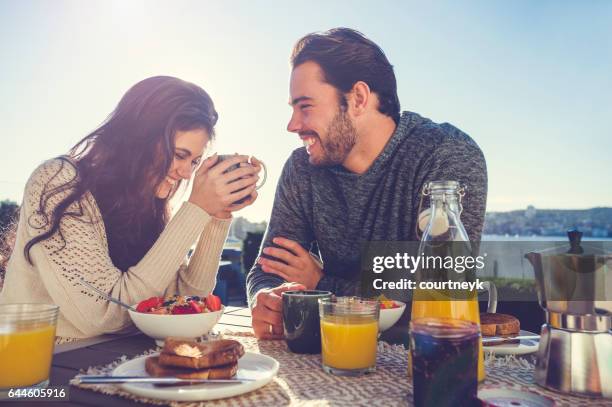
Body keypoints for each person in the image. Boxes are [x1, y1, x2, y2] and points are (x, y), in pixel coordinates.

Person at [247, 28, 487, 339]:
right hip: (326, 357)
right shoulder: (301, 169)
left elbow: (439, 298)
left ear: (358, 98)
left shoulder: (445, 156)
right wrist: (266, 300)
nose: (292, 125)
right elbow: (268, 271)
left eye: (305, 106)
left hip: (420, 361)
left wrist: (322, 285)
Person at [0, 76, 262, 341]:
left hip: (118, 363)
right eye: (180, 155)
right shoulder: (58, 183)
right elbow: (106, 314)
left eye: (194, 161)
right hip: (44, 366)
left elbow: (184, 301)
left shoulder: (148, 203)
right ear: (137, 139)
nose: (186, 174)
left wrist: (217, 215)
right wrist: (196, 208)